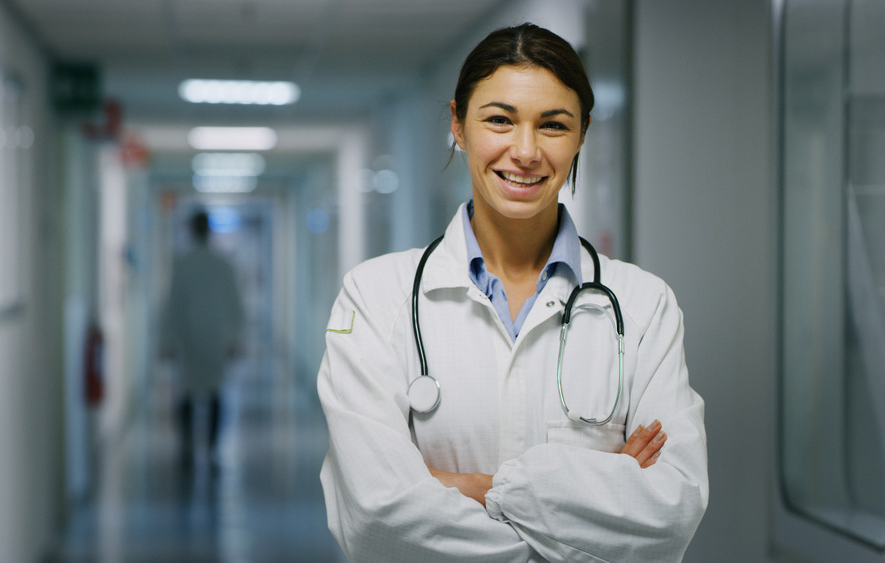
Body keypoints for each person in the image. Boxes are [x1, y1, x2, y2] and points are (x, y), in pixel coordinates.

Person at [317, 23, 707, 562]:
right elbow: (377, 517)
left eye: (553, 125)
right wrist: (600, 486)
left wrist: (470, 486)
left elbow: (671, 510)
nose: (525, 151)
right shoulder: (375, 297)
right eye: (499, 120)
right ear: (458, 124)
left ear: (582, 134)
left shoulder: (644, 305)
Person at [163, 209, 244, 466]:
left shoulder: (182, 264)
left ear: (191, 231)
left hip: (189, 338)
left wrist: (168, 340)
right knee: (214, 393)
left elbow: (172, 304)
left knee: (187, 393)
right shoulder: (223, 266)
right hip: (216, 338)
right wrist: (236, 339)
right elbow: (235, 305)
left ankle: (187, 447)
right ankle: (211, 449)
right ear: (209, 231)